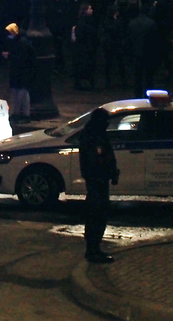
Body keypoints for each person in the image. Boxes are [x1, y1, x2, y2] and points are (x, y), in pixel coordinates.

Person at [75, 109, 119, 263]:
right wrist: (108, 172)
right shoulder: (93, 137)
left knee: (99, 214)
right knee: (96, 214)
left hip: (99, 180)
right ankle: (93, 249)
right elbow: (98, 159)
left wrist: (113, 173)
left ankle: (95, 248)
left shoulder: (96, 134)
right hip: (96, 181)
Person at [6, 24, 34, 121]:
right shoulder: (20, 41)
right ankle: (19, 113)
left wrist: (9, 56)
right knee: (19, 93)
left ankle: (23, 114)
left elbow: (20, 58)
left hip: (21, 71)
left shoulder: (21, 43)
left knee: (21, 93)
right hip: (20, 71)